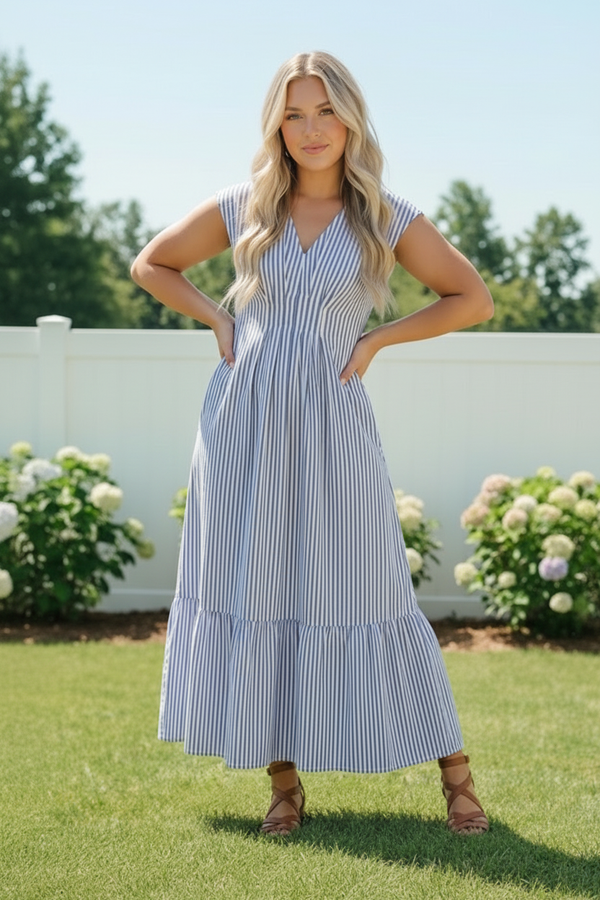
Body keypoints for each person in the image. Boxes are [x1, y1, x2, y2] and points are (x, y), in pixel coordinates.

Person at [131, 51, 493, 838]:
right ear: (277, 126)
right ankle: (284, 786)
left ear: (350, 118)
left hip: (333, 422)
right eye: (294, 114)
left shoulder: (385, 217)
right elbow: (151, 263)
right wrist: (220, 318)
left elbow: (472, 297)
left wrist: (378, 342)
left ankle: (457, 778)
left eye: (324, 111)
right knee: (261, 587)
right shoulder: (245, 207)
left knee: (370, 590)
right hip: (242, 424)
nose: (311, 129)